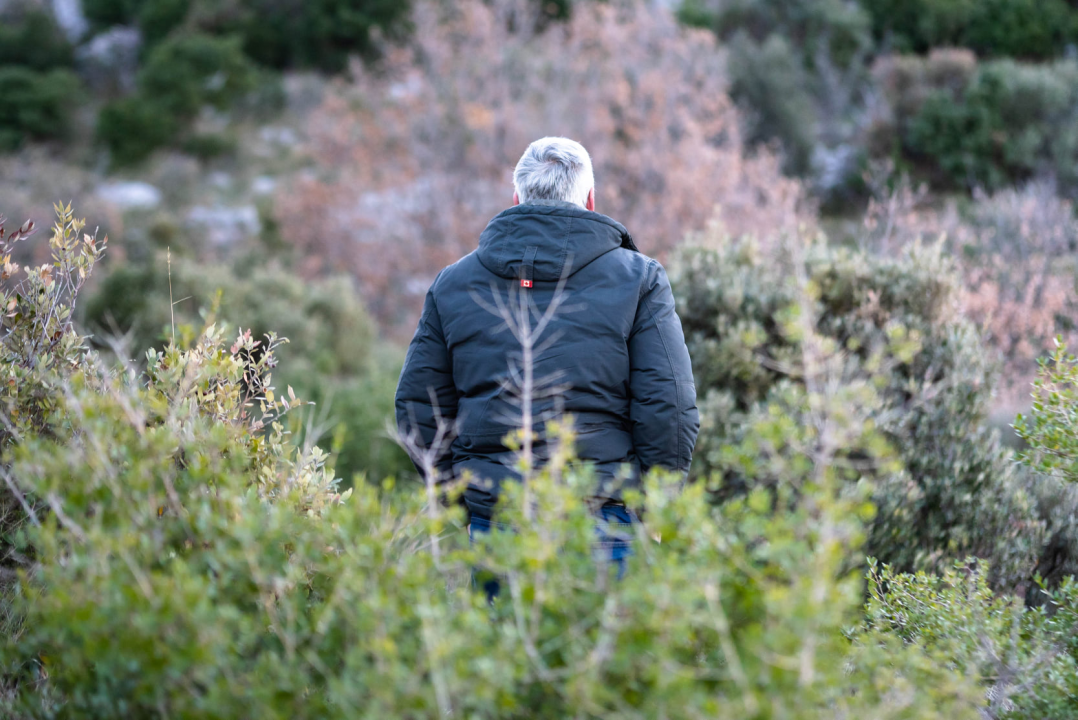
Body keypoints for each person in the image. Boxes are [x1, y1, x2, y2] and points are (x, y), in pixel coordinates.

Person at [394, 136, 699, 580]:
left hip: (495, 521)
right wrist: (660, 506)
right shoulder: (640, 279)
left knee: (506, 646)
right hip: (605, 515)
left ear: (516, 199)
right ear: (590, 200)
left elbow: (419, 407)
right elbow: (669, 408)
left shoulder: (452, 283)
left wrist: (457, 496)